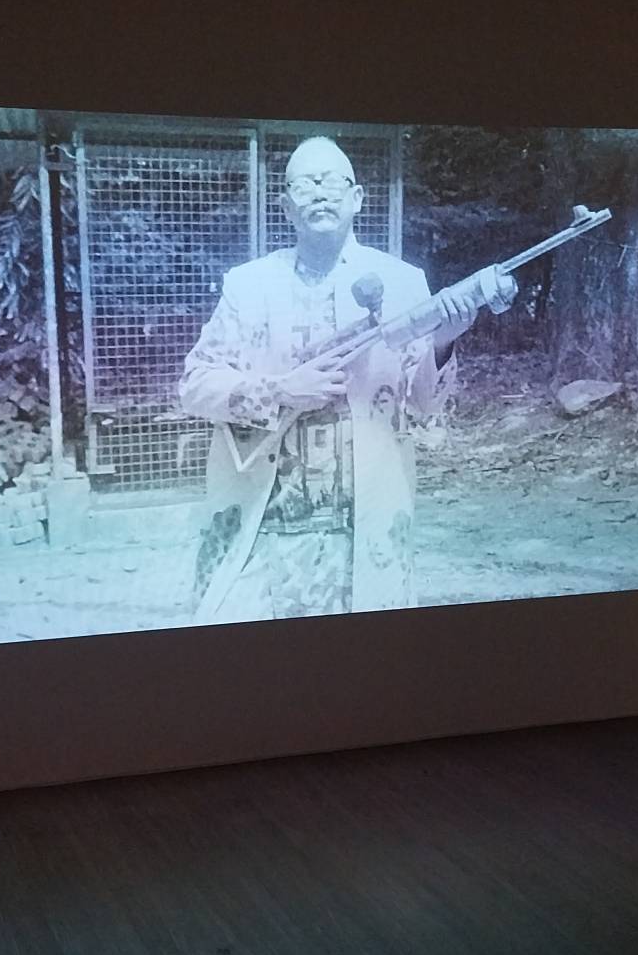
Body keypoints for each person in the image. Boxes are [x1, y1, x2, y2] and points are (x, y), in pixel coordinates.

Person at [179, 136, 513, 622]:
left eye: (332, 182)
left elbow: (423, 405)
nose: (319, 192)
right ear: (285, 207)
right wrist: (279, 391)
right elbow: (195, 385)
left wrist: (444, 341)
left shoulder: (403, 282)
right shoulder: (249, 285)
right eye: (305, 184)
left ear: (357, 199)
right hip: (263, 524)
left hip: (365, 526)